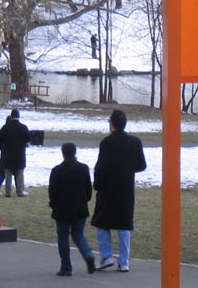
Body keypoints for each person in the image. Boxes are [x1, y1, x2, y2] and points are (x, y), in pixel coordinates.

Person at [91, 109, 146, 273]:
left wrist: (97, 185)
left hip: (107, 189)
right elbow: (142, 165)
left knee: (101, 222)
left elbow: (100, 167)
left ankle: (107, 255)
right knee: (124, 225)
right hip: (126, 189)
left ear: (112, 124)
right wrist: (127, 169)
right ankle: (124, 261)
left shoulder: (106, 143)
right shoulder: (135, 142)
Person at [49, 142, 96, 277]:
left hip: (61, 209)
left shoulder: (57, 171)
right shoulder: (83, 168)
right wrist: (84, 200)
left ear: (63, 153)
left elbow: (53, 191)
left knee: (63, 237)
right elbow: (88, 189)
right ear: (75, 152)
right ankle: (88, 255)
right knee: (78, 235)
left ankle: (66, 267)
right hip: (80, 208)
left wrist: (54, 205)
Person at [0, 108, 30, 197]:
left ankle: (8, 192)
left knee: (8, 175)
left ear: (11, 116)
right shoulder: (23, 127)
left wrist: (2, 149)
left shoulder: (5, 127)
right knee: (19, 174)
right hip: (19, 155)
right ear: (19, 116)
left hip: (7, 155)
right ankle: (20, 191)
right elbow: (28, 139)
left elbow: (0, 140)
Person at [0, 115, 11, 193]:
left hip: (4, 154)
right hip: (10, 155)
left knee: (2, 173)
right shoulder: (11, 130)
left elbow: (0, 141)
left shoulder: (3, 129)